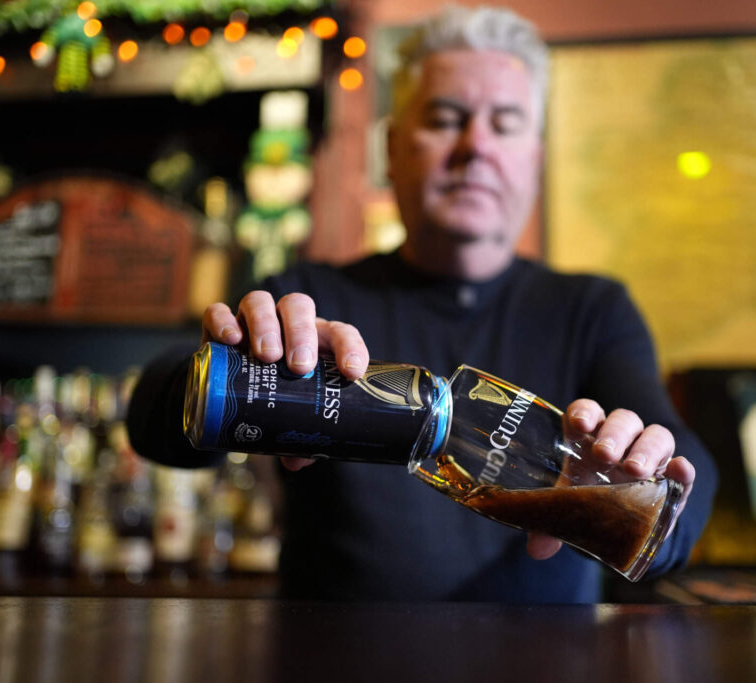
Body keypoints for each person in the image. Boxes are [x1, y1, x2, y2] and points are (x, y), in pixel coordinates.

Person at [127, 4, 717, 603]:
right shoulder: (309, 298)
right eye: (445, 117)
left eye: (505, 123)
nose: (475, 146)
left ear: (533, 160)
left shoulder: (593, 308)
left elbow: (684, 467)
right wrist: (219, 367)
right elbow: (153, 420)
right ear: (393, 146)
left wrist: (650, 497)